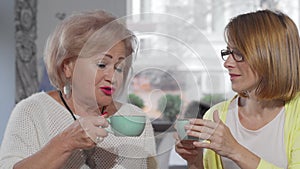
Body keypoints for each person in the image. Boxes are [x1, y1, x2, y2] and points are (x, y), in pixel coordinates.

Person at [0, 10, 156, 169]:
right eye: (102, 64)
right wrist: (65, 142)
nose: (112, 77)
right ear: (68, 67)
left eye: (119, 68)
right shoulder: (32, 111)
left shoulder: (135, 118)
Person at [175, 9, 300, 169]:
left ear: (270, 56)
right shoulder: (216, 115)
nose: (227, 63)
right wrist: (194, 161)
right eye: (228, 52)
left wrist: (235, 151)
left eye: (238, 53)